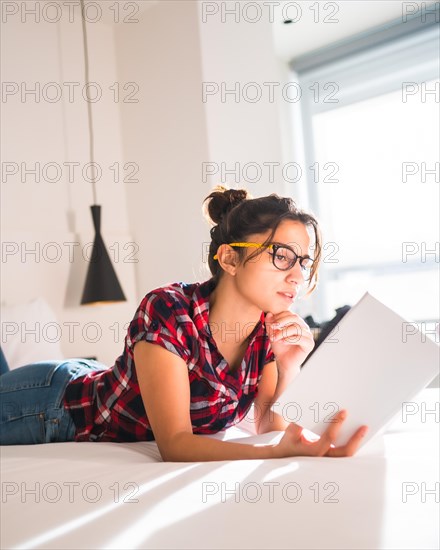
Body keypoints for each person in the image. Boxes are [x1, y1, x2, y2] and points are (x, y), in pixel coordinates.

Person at [0, 186, 368, 459]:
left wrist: (290, 366)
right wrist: (274, 455)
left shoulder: (268, 330)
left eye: (303, 262)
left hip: (97, 377)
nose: (297, 275)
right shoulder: (168, 309)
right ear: (229, 259)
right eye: (282, 256)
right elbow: (175, 444)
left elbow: (268, 427)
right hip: (55, 403)